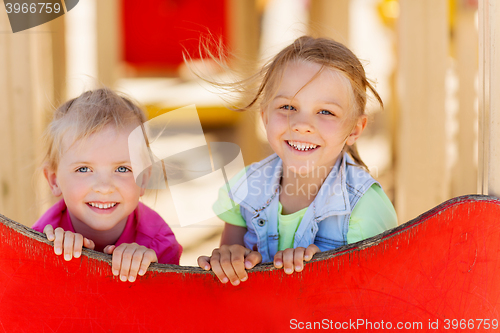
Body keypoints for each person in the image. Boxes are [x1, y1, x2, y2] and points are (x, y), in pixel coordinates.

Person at [197, 36, 397, 285]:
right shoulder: (245, 188)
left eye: (326, 112)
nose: (302, 125)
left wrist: (315, 277)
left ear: (355, 129)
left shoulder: (365, 208)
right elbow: (227, 281)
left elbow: (379, 303)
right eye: (288, 107)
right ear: (265, 117)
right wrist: (230, 259)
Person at [32, 88, 182, 282]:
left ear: (144, 179)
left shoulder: (159, 242)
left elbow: (173, 305)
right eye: (84, 169)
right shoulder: (38, 240)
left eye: (122, 169)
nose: (104, 187)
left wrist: (152, 271)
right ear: (54, 181)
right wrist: (54, 261)